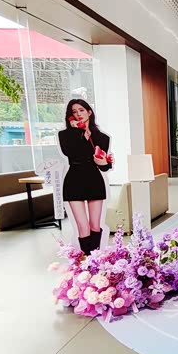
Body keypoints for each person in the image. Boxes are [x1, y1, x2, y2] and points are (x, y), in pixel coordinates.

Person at [58, 99, 112, 255]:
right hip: (74, 180)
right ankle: (88, 261)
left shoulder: (102, 138)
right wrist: (78, 132)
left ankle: (94, 259)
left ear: (89, 112)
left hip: (94, 179)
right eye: (74, 112)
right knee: (83, 227)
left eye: (81, 110)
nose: (78, 114)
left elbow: (104, 166)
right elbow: (70, 152)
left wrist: (104, 163)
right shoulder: (65, 135)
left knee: (95, 226)